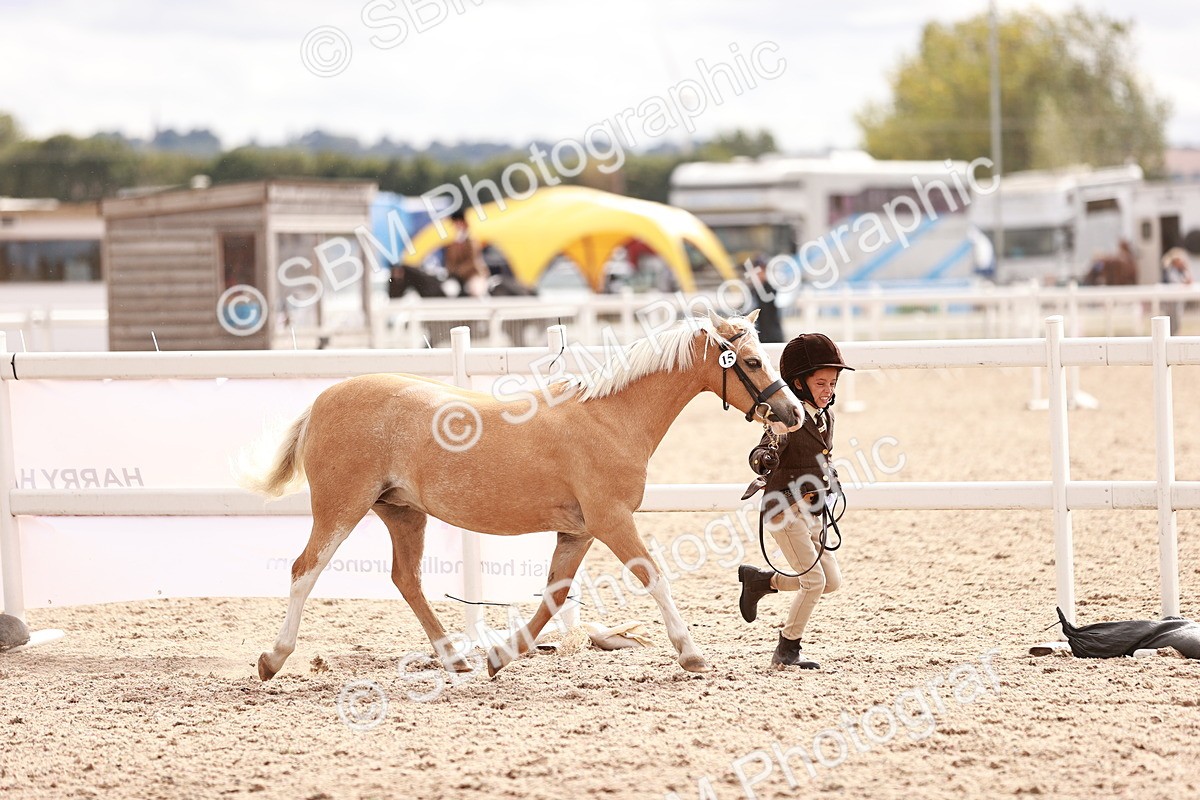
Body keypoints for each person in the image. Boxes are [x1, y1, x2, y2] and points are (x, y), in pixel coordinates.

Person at [736, 332, 853, 670]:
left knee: (831, 582)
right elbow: (763, 450)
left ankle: (761, 581)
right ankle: (787, 650)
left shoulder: (825, 415)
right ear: (799, 384)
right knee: (813, 581)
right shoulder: (786, 419)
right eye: (821, 382)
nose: (828, 389)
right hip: (784, 510)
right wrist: (764, 458)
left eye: (832, 382)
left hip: (813, 509)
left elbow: (820, 455)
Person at [441, 207, 490, 298]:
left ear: (464, 223)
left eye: (459, 223)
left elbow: (473, 262)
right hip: (456, 276)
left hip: (473, 273)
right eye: (455, 223)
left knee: (476, 290)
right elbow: (450, 261)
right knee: (448, 289)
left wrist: (458, 271)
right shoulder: (453, 243)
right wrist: (450, 271)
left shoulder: (472, 241)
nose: (457, 226)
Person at [747, 253, 785, 343]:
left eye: (762, 270)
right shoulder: (752, 291)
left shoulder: (770, 290)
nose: (759, 273)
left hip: (771, 337)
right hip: (757, 338)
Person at [1162, 247, 1194, 335]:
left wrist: (1185, 269)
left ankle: (1175, 335)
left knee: (1177, 318)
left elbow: (1189, 280)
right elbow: (1175, 283)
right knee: (1171, 319)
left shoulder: (1181, 270)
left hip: (1178, 299)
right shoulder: (1170, 270)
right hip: (1170, 300)